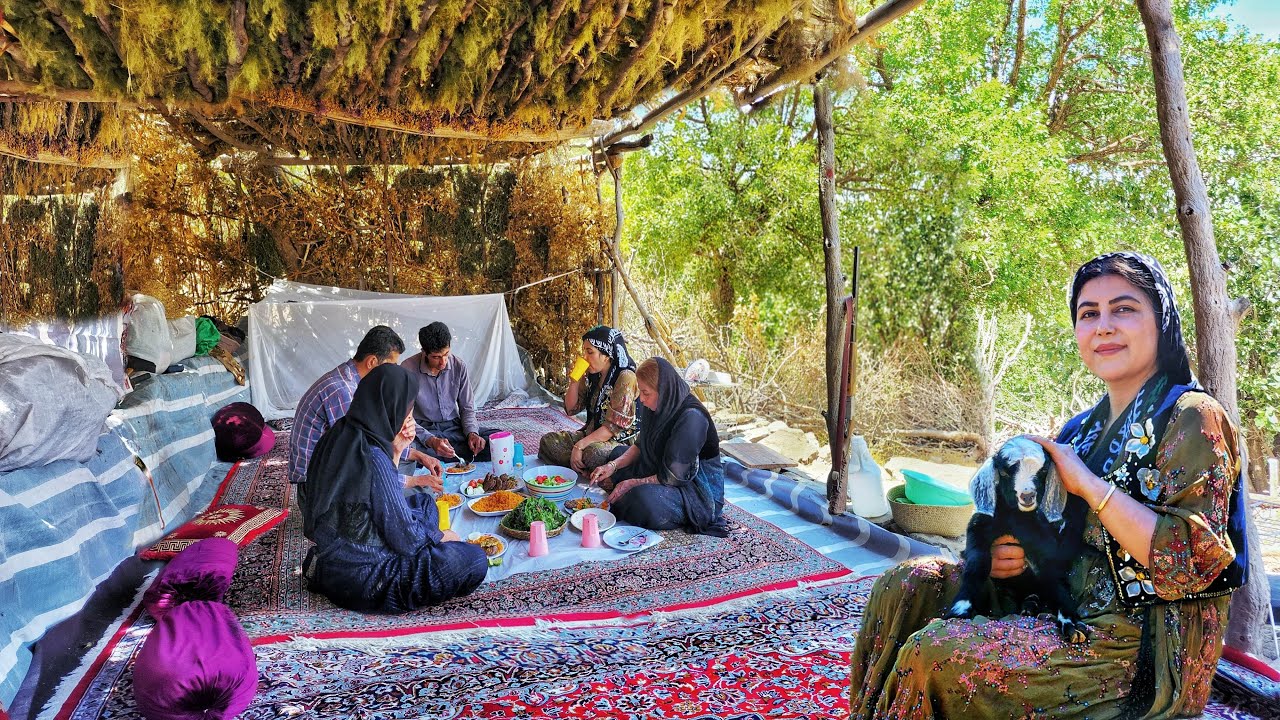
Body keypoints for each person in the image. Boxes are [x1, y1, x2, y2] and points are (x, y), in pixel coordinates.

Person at [848, 252, 1248, 719]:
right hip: (1055, 594)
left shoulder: (1192, 417)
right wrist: (1005, 558)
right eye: (1088, 314)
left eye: (1124, 309)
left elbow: (1194, 564)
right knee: (907, 583)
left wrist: (1090, 487)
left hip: (1139, 641)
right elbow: (1023, 520)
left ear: (1160, 320)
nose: (1103, 326)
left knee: (936, 654)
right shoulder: (1080, 429)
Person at [300, 364, 488, 612]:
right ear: (392, 410)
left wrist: (397, 450)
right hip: (367, 578)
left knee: (424, 503)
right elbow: (406, 540)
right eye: (407, 413)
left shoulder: (341, 432)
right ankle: (439, 547)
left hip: (334, 560)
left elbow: (379, 499)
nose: (408, 420)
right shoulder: (374, 457)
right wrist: (441, 538)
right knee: (474, 560)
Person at [289, 326, 442, 492]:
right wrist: (416, 481)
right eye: (391, 366)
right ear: (371, 362)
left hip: (341, 462)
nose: (394, 372)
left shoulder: (354, 378)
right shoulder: (343, 392)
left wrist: (419, 456)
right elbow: (363, 461)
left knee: (410, 460)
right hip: (318, 486)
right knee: (417, 496)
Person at [589, 357, 727, 537]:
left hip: (694, 485)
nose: (642, 399)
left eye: (646, 393)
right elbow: (641, 445)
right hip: (663, 467)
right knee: (617, 453)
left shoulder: (692, 417)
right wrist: (612, 466)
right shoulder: (656, 405)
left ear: (664, 390)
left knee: (641, 500)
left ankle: (634, 498)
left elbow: (675, 476)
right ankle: (626, 490)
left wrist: (631, 483)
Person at [540, 326, 639, 475]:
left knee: (592, 454)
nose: (584, 357)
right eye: (584, 351)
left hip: (618, 441)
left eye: (590, 352)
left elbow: (613, 428)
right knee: (548, 441)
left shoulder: (625, 377)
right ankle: (582, 468)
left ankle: (584, 466)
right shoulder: (594, 374)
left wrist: (579, 446)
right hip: (591, 434)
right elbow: (571, 409)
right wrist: (574, 381)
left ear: (606, 355)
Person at [401, 322, 498, 463]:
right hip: (424, 429)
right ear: (424, 352)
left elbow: (467, 409)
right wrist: (431, 440)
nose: (443, 362)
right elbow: (405, 418)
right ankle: (443, 454)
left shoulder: (459, 366)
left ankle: (445, 455)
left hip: (454, 428)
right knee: (406, 450)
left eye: (446, 354)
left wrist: (472, 433)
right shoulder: (407, 369)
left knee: (497, 440)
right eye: (436, 357)